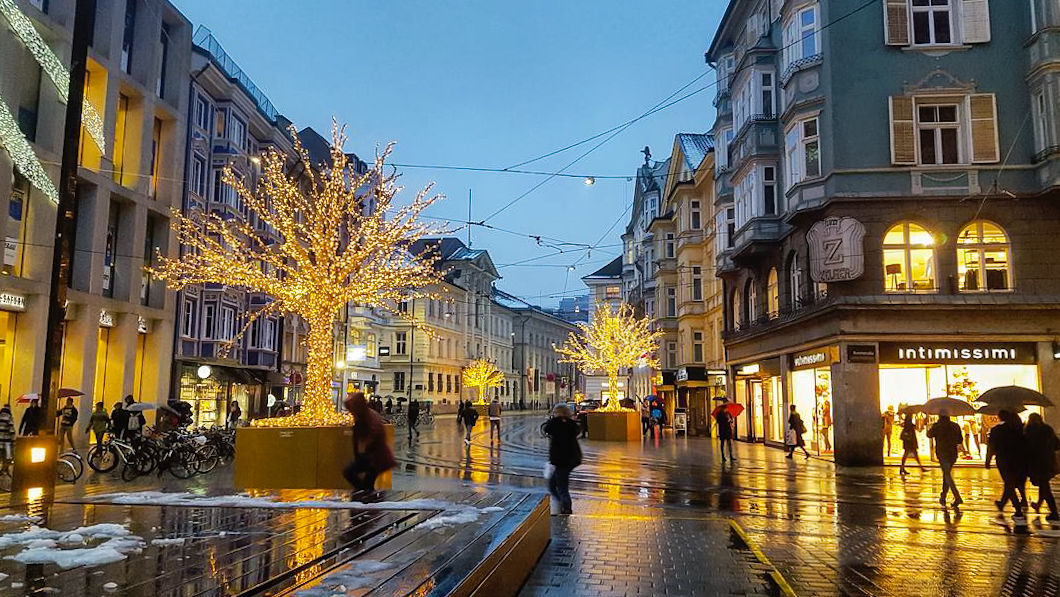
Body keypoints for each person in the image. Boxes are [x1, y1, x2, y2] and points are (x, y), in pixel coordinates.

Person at [342, 391, 396, 492]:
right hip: (371, 457)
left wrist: (364, 447)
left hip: (375, 458)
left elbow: (373, 434)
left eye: (351, 409)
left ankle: (365, 498)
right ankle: (365, 496)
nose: (350, 412)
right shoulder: (364, 416)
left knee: (356, 476)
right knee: (358, 478)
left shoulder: (368, 417)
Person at [987, 410, 1028, 522]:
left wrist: (988, 460)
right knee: (1015, 482)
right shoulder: (1020, 429)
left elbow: (991, 446)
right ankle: (1004, 503)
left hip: (1004, 460)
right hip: (1019, 459)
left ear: (1000, 417)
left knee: (1009, 483)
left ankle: (1018, 509)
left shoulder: (997, 430)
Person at [542, 404, 582, 515]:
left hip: (562, 460)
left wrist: (553, 419)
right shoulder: (571, 424)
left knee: (561, 486)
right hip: (570, 458)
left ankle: (566, 507)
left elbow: (547, 429)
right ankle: (563, 504)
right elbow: (577, 430)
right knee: (555, 483)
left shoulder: (556, 424)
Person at [1024, 413, 1060, 521]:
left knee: (1045, 487)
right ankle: (1039, 505)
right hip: (1048, 462)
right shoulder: (1047, 429)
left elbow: (1026, 447)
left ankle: (1054, 512)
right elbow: (1057, 445)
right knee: (1044, 485)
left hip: (1035, 463)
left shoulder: (1028, 430)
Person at [927, 414, 964, 508]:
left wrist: (931, 427)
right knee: (946, 474)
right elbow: (959, 439)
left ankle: (957, 497)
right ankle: (943, 496)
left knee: (947, 474)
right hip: (952, 453)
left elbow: (929, 435)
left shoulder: (937, 426)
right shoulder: (955, 426)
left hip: (942, 453)